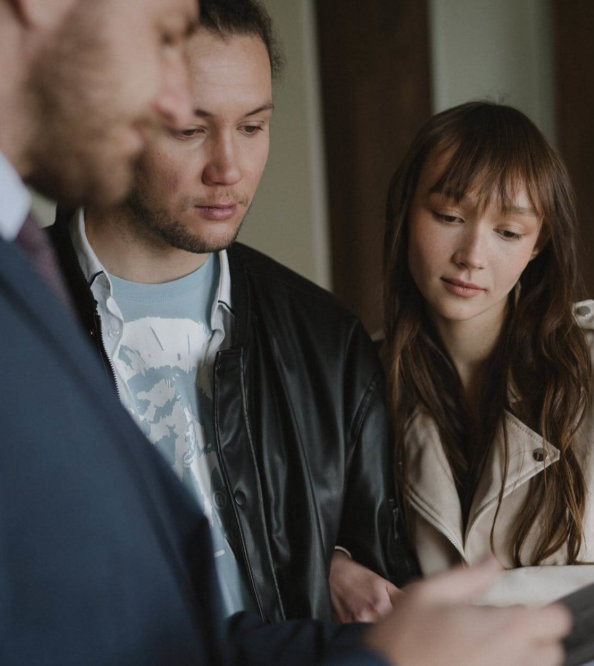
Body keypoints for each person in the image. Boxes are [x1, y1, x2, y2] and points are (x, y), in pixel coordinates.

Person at [0, 1, 571, 664]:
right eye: (161, 34)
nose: (168, 96)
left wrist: (384, 646)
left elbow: (134, 635)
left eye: (253, 123)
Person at [48, 0, 415, 623]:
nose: (230, 169)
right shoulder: (3, 321)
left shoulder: (328, 344)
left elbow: (385, 591)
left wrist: (332, 562)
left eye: (252, 126)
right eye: (190, 130)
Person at [382, 101, 594, 605]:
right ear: (407, 211)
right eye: (449, 215)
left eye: (508, 232)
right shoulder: (367, 376)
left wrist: (480, 602)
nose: (472, 256)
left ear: (538, 243)